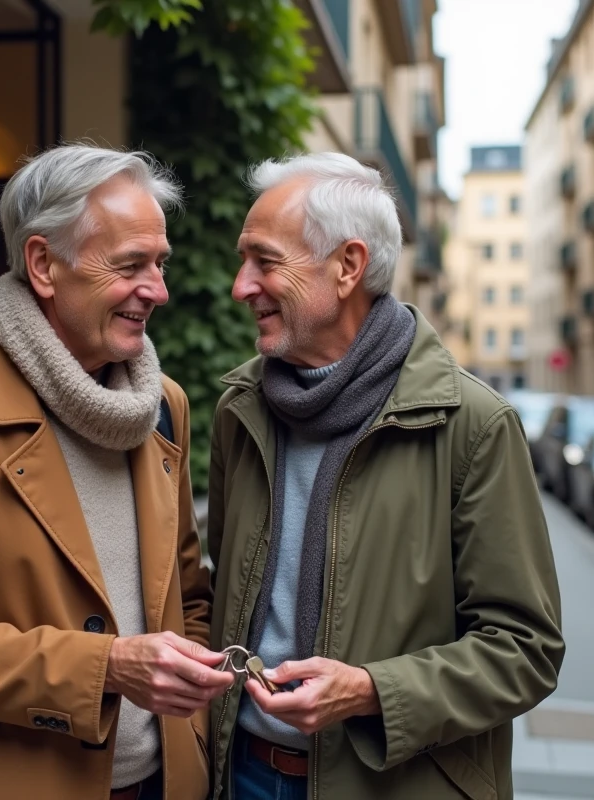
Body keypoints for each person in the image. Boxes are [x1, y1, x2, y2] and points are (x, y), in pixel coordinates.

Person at [0, 144, 232, 800]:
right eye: (130, 265)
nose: (158, 290)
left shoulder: (163, 407)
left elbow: (189, 599)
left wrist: (193, 727)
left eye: (160, 264)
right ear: (43, 264)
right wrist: (107, 667)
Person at [207, 152, 565, 799]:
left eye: (265, 261)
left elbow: (526, 649)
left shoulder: (473, 424)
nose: (241, 286)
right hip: (244, 776)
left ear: (348, 266)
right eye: (243, 260)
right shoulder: (239, 412)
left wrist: (371, 691)